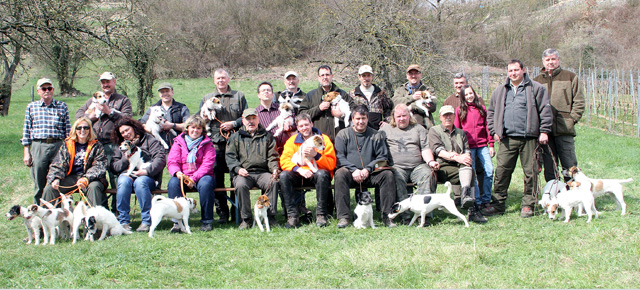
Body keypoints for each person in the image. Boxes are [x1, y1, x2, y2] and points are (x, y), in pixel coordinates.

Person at [486, 59, 553, 218]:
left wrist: (544, 131)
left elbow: (545, 110)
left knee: (531, 172)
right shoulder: (500, 91)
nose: (513, 73)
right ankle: (498, 204)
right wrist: (494, 130)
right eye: (510, 71)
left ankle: (529, 204)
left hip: (529, 138)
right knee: (502, 172)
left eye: (516, 70)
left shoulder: (536, 88)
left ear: (523, 70)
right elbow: (491, 113)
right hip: (506, 139)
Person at [196, 68, 248, 224]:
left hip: (235, 144)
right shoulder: (207, 98)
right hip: (214, 145)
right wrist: (204, 117)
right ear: (214, 80)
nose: (221, 81)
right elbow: (199, 121)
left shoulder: (239, 96)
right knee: (216, 180)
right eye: (218, 78)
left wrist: (234, 123)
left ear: (228, 79)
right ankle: (222, 213)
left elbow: (246, 117)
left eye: (223, 78)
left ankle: (236, 211)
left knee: (236, 178)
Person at [75, 72, 133, 209]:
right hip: (94, 145)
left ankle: (117, 211)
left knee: (116, 178)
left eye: (108, 82)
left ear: (114, 82)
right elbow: (79, 118)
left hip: (115, 145)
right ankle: (100, 209)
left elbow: (127, 120)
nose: (105, 85)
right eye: (103, 82)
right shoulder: (93, 99)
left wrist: (109, 111)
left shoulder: (122, 100)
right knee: (95, 178)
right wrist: (93, 116)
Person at [334, 105, 396, 228]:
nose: (360, 121)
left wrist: (368, 169)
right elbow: (340, 157)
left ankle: (388, 216)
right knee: (340, 174)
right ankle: (344, 217)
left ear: (367, 119)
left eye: (363, 118)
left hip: (371, 173)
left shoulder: (376, 135)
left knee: (387, 175)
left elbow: (382, 157)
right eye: (357, 118)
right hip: (350, 174)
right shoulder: (343, 134)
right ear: (352, 118)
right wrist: (354, 170)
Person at [379, 104, 438, 224]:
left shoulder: (419, 128)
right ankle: (405, 216)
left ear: (409, 116)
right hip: (397, 167)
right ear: (393, 117)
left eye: (404, 116)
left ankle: (424, 215)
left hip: (418, 166)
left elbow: (425, 148)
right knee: (396, 178)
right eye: (398, 116)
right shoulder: (386, 130)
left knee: (427, 174)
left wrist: (431, 161)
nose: (401, 119)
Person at [533, 48, 585, 182]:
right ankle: (555, 195)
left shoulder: (570, 77)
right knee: (550, 166)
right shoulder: (536, 81)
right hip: (545, 131)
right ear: (543, 61)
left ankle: (573, 194)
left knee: (569, 164)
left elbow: (579, 101)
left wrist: (571, 120)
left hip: (564, 129)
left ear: (558, 60)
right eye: (548, 60)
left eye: (553, 59)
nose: (551, 62)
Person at [429, 105, 487, 224]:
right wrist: (457, 157)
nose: (448, 117)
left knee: (469, 169)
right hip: (442, 167)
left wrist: (466, 157)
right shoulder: (434, 130)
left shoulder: (461, 133)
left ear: (454, 116)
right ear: (440, 117)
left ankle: (469, 204)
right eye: (445, 115)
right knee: (467, 169)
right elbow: (438, 150)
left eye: (450, 115)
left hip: (459, 166)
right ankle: (470, 203)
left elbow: (466, 149)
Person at [225, 109, 280, 230]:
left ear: (258, 119)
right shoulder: (235, 137)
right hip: (244, 174)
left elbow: (273, 156)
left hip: (263, 173)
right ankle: (246, 219)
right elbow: (230, 157)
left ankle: (270, 216)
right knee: (240, 185)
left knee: (273, 182)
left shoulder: (267, 136)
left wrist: (275, 169)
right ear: (243, 120)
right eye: (248, 119)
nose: (251, 122)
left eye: (253, 118)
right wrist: (238, 169)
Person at [279, 113, 337, 228]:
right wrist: (298, 169)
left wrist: (316, 155)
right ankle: (293, 216)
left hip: (317, 174)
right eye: (301, 126)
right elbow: (284, 161)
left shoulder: (323, 139)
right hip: (299, 174)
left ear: (311, 124)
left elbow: (331, 164)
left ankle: (321, 215)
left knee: (322, 174)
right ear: (297, 128)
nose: (304, 128)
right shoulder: (292, 141)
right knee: (284, 175)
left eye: (306, 124)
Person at [111, 117, 167, 232]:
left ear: (134, 128)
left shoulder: (149, 139)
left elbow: (160, 159)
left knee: (140, 182)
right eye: (122, 132)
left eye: (127, 130)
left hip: (147, 175)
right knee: (123, 181)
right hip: (128, 175)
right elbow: (114, 166)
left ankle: (146, 221)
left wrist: (147, 171)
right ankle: (124, 221)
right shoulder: (120, 146)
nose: (126, 134)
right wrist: (126, 159)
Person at [22, 78, 71, 204]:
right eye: (44, 89)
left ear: (53, 90)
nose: (47, 91)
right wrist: (26, 152)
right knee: (39, 183)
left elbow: (68, 132)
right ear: (38, 91)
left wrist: (68, 151)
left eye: (49, 88)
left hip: (57, 146)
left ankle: (57, 214)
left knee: (56, 180)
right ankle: (37, 213)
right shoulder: (31, 107)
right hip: (39, 146)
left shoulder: (62, 106)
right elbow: (26, 130)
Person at [166, 115, 216, 232]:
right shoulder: (178, 142)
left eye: (198, 128)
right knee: (173, 183)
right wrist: (177, 172)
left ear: (202, 130)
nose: (195, 130)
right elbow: (172, 161)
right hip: (182, 176)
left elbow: (208, 164)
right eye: (192, 127)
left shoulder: (207, 143)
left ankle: (207, 221)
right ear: (187, 128)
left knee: (206, 184)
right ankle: (177, 223)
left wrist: (194, 177)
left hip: (202, 176)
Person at [43, 117, 107, 207]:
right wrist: (56, 178)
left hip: (91, 179)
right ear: (75, 130)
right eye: (79, 128)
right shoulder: (67, 145)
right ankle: (50, 218)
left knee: (94, 187)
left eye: (86, 128)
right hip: (71, 178)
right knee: (50, 188)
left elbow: (99, 166)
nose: (82, 130)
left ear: (90, 130)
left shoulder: (97, 146)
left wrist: (86, 178)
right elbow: (58, 164)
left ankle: (94, 218)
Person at [454, 85, 495, 215]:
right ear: (462, 97)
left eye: (471, 93)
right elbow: (457, 130)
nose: (469, 96)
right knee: (473, 175)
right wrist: (461, 149)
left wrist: (491, 144)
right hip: (469, 147)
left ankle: (486, 200)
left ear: (474, 94)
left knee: (489, 170)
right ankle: (476, 201)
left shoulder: (481, 109)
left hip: (483, 145)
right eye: (466, 95)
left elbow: (487, 127)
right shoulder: (460, 110)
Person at [299, 65, 355, 143]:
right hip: (320, 140)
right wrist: (318, 109)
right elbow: (301, 115)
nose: (325, 77)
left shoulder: (342, 94)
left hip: (341, 139)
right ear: (318, 78)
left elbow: (355, 111)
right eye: (322, 75)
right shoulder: (311, 95)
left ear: (332, 76)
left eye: (327, 74)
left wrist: (342, 114)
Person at [140, 82, 190, 151]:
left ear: (172, 92)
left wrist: (173, 126)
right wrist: (148, 129)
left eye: (167, 91)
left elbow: (188, 127)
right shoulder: (152, 109)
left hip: (178, 147)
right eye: (162, 92)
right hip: (156, 148)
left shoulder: (182, 108)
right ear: (159, 94)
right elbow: (141, 124)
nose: (165, 94)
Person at [392, 64, 437, 129]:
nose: (413, 76)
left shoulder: (428, 90)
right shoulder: (400, 89)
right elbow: (394, 102)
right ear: (407, 76)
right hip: (404, 128)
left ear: (421, 75)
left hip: (424, 127)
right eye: (411, 74)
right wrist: (412, 98)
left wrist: (412, 107)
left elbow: (432, 106)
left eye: (416, 73)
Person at [349, 65, 393, 130]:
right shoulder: (353, 94)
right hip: (359, 132)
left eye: (368, 75)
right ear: (359, 77)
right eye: (364, 76)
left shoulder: (380, 92)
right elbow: (348, 112)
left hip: (377, 132)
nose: (366, 78)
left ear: (372, 76)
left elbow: (389, 108)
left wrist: (387, 121)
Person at [256, 81, 296, 153]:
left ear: (272, 94)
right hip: (266, 150)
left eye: (268, 90)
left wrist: (290, 127)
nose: (266, 92)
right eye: (263, 90)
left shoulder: (283, 108)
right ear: (258, 95)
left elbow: (296, 124)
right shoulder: (255, 113)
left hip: (286, 148)